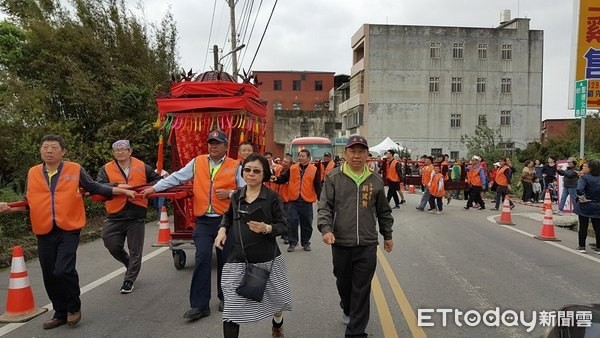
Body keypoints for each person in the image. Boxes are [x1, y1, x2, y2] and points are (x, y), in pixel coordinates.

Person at [0, 134, 135, 330]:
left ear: (63, 151)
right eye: (45, 147)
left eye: (54, 148)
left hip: (69, 228)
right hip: (44, 229)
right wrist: (9, 208)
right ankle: (60, 312)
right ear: (40, 151)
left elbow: (94, 187)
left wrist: (120, 190)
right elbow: (28, 202)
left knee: (63, 269)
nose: (49, 151)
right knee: (49, 274)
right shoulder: (33, 172)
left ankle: (73, 307)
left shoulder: (74, 169)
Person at [140, 130, 245, 320]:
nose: (213, 146)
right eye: (210, 142)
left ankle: (227, 298)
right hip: (204, 220)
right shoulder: (197, 162)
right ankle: (200, 305)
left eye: (217, 143)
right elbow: (176, 177)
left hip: (226, 220)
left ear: (225, 146)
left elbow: (247, 190)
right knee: (203, 258)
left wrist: (231, 193)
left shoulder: (235, 166)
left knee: (226, 261)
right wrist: (154, 188)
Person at [317, 135, 394, 338]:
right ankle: (347, 306)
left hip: (367, 244)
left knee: (362, 289)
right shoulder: (334, 177)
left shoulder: (375, 180)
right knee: (343, 283)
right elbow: (324, 207)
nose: (357, 155)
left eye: (361, 151)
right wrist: (326, 230)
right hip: (340, 242)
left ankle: (356, 333)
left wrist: (387, 235)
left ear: (367, 155)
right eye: (353, 151)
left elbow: (384, 211)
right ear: (346, 154)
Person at [215, 153, 292, 338]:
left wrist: (267, 228)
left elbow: (284, 226)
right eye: (247, 170)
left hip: (268, 259)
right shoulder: (236, 196)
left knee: (277, 303)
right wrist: (222, 230)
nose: (251, 174)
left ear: (264, 174)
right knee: (231, 309)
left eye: (256, 171)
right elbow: (227, 215)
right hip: (238, 259)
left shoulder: (272, 198)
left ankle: (277, 324)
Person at [96, 140, 162, 294]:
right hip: (115, 213)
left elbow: (158, 180)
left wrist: (148, 189)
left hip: (136, 213)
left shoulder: (142, 166)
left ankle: (129, 280)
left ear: (130, 151)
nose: (120, 152)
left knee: (135, 250)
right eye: (116, 150)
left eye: (123, 149)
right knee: (111, 243)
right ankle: (128, 264)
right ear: (113, 153)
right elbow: (98, 185)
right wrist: (118, 187)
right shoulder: (106, 168)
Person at [272, 149, 321, 252]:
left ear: (308, 158)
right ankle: (292, 242)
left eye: (303, 156)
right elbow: (283, 178)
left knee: (306, 223)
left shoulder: (314, 169)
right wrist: (275, 179)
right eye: (299, 156)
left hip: (306, 201)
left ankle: (305, 242)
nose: (300, 158)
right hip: (293, 200)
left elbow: (317, 185)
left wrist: (320, 199)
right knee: (292, 221)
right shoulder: (293, 168)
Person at [573, 160, 600, 253]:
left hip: (586, 204)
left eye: (585, 166)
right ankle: (598, 248)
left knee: (583, 225)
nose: (582, 168)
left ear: (590, 169)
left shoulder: (584, 178)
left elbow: (579, 189)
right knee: (597, 227)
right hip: (598, 204)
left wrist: (582, 196)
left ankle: (582, 246)